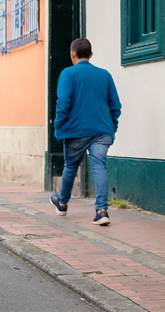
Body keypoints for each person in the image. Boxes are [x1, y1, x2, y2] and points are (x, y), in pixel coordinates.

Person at [50, 38, 121, 226]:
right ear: (91, 55)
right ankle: (101, 211)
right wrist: (112, 127)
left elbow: (63, 103)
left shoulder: (68, 74)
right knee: (99, 167)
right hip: (102, 130)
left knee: (70, 166)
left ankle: (62, 204)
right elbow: (115, 106)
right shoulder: (105, 75)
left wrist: (58, 126)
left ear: (72, 54)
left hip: (76, 131)